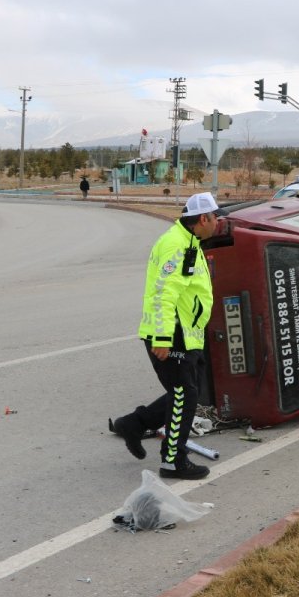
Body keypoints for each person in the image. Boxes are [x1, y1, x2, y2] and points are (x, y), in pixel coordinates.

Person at [110, 192, 224, 480]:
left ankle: (134, 424)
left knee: (187, 391)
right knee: (184, 395)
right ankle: (173, 460)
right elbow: (163, 294)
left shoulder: (189, 241)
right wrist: (162, 338)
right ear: (203, 218)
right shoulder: (178, 246)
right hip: (172, 334)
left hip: (186, 333)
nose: (218, 223)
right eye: (215, 217)